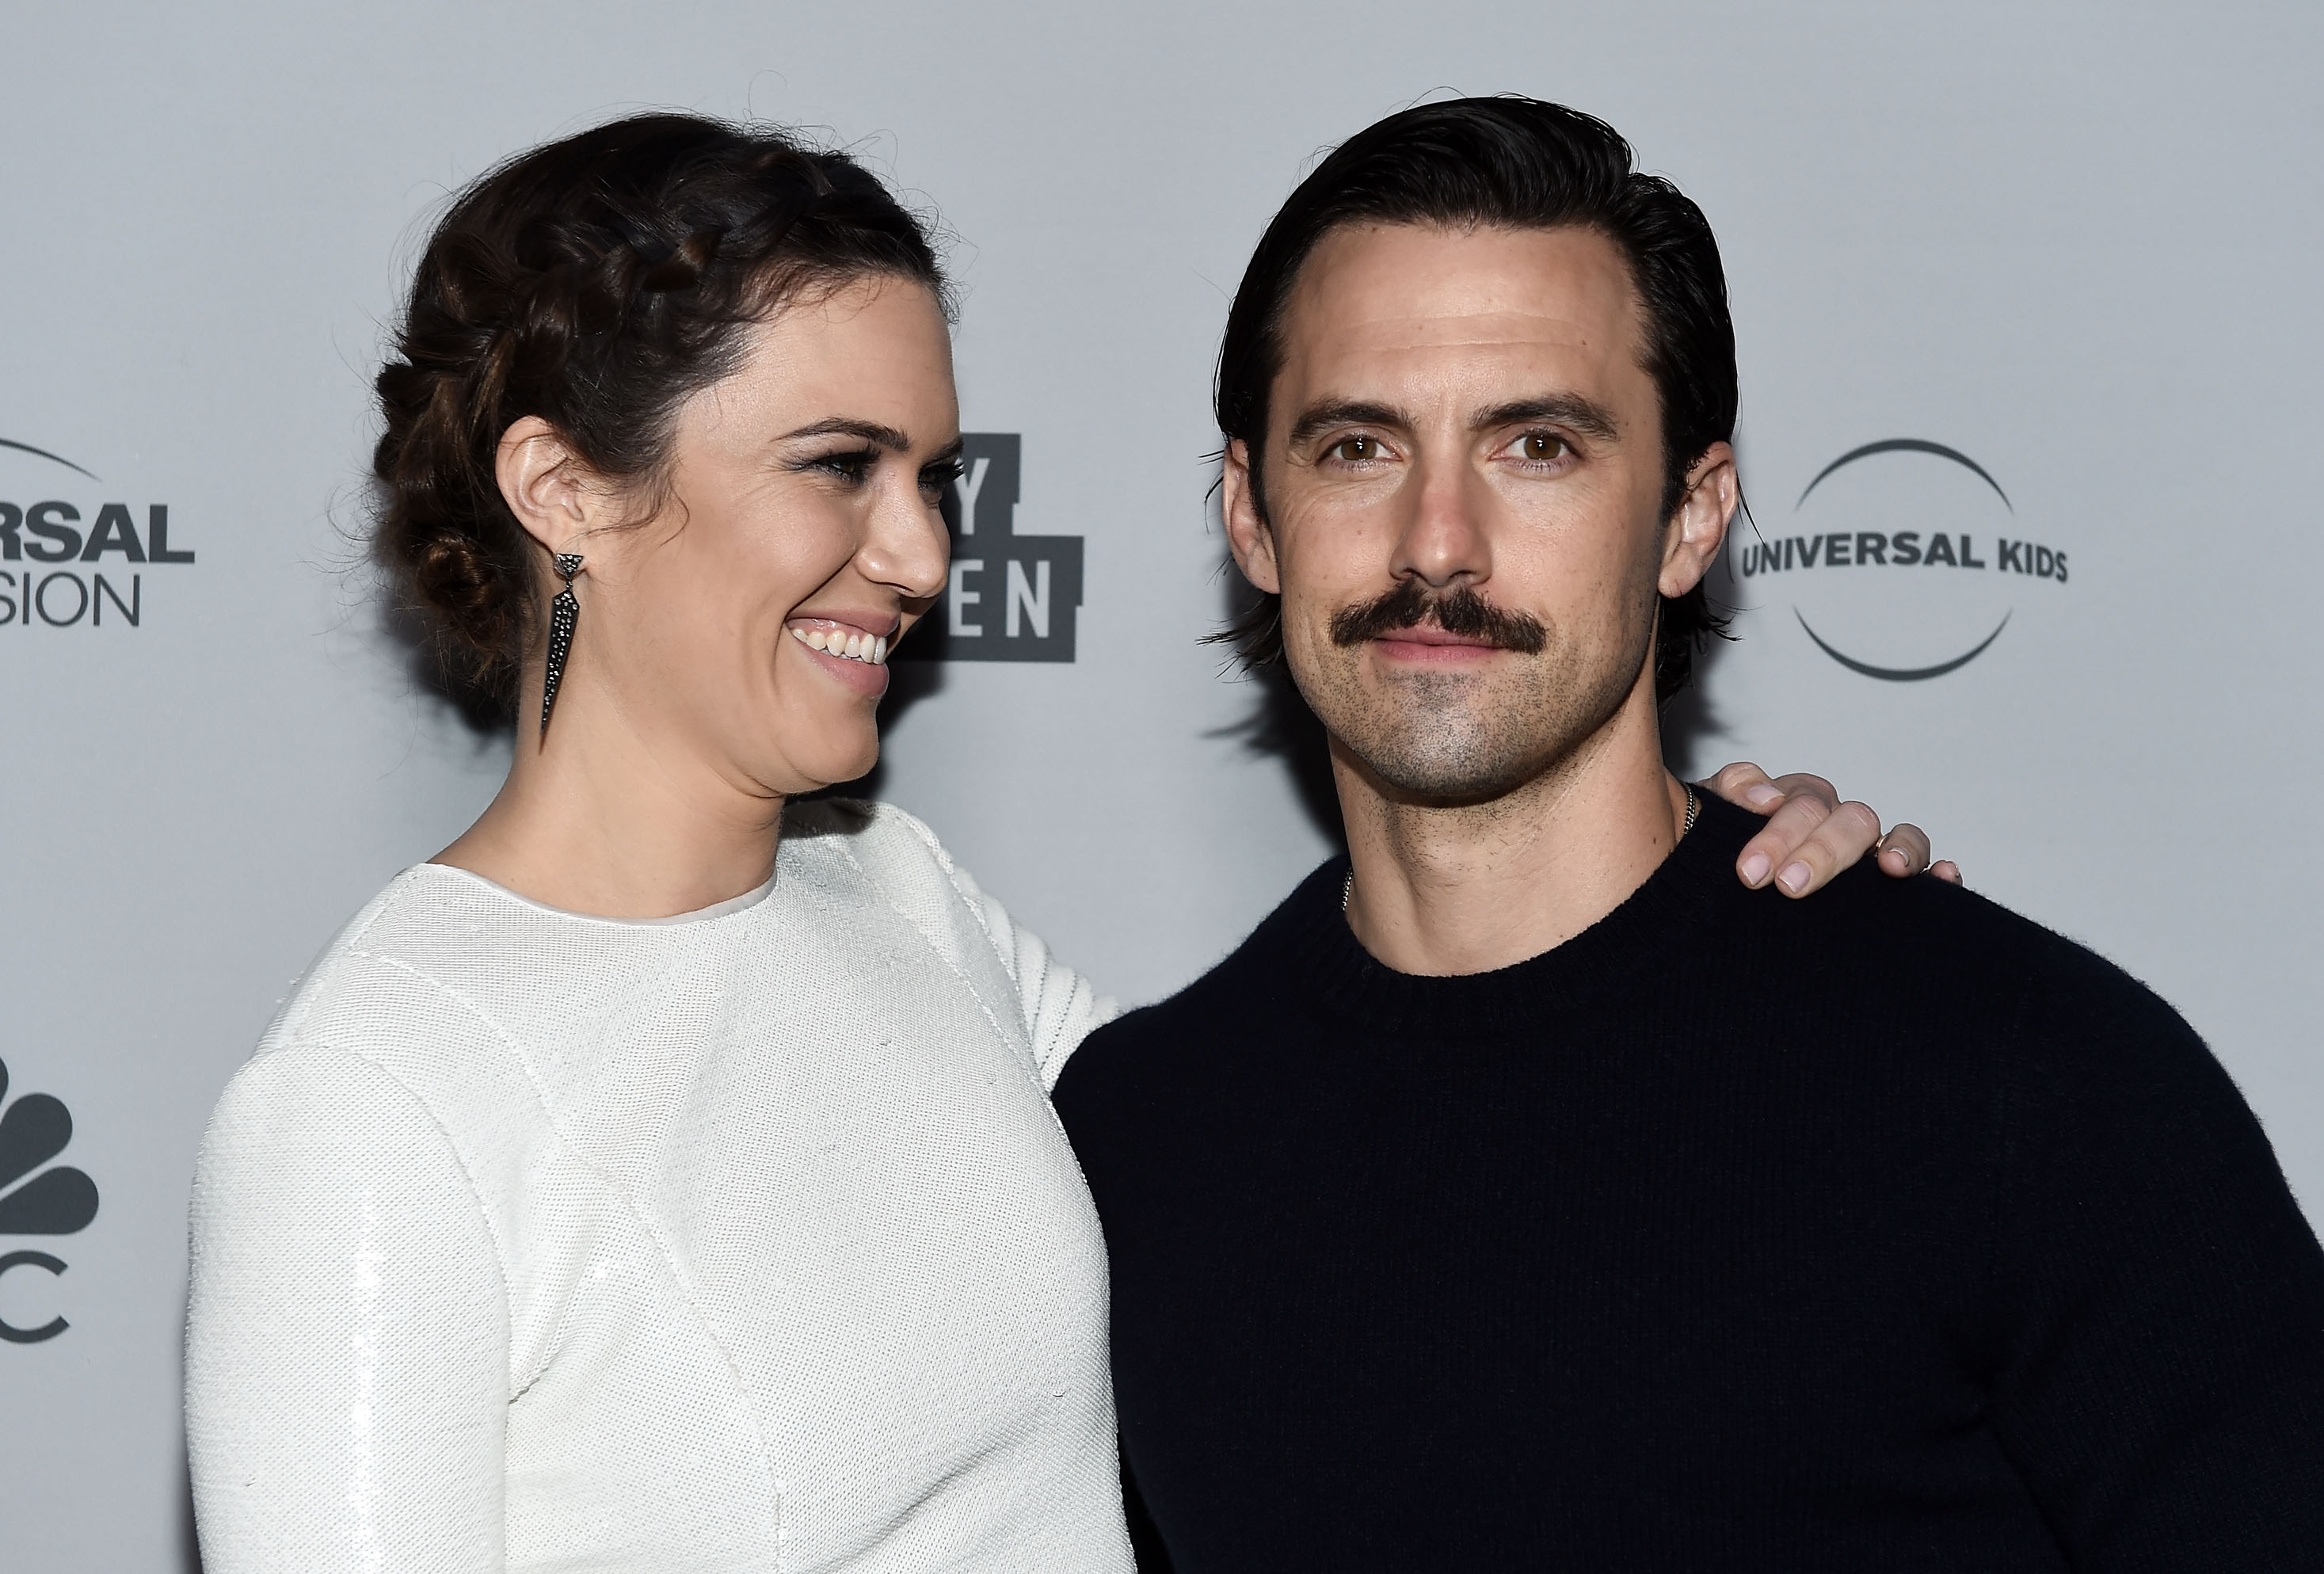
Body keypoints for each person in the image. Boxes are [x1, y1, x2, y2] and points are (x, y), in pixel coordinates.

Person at [182, 112, 1946, 1572]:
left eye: (934, 477)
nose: (923, 557)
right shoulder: (370, 1103)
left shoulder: (909, 907)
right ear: (563, 488)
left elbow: (1367, 1154)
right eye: (838, 466)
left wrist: (1717, 918)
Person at [1051, 97, 2324, 1572]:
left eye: (1536, 447)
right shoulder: (1136, 1144)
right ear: (1252, 514)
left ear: (1693, 516)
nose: (1438, 543)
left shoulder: (2014, 1078)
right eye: (1359, 447)